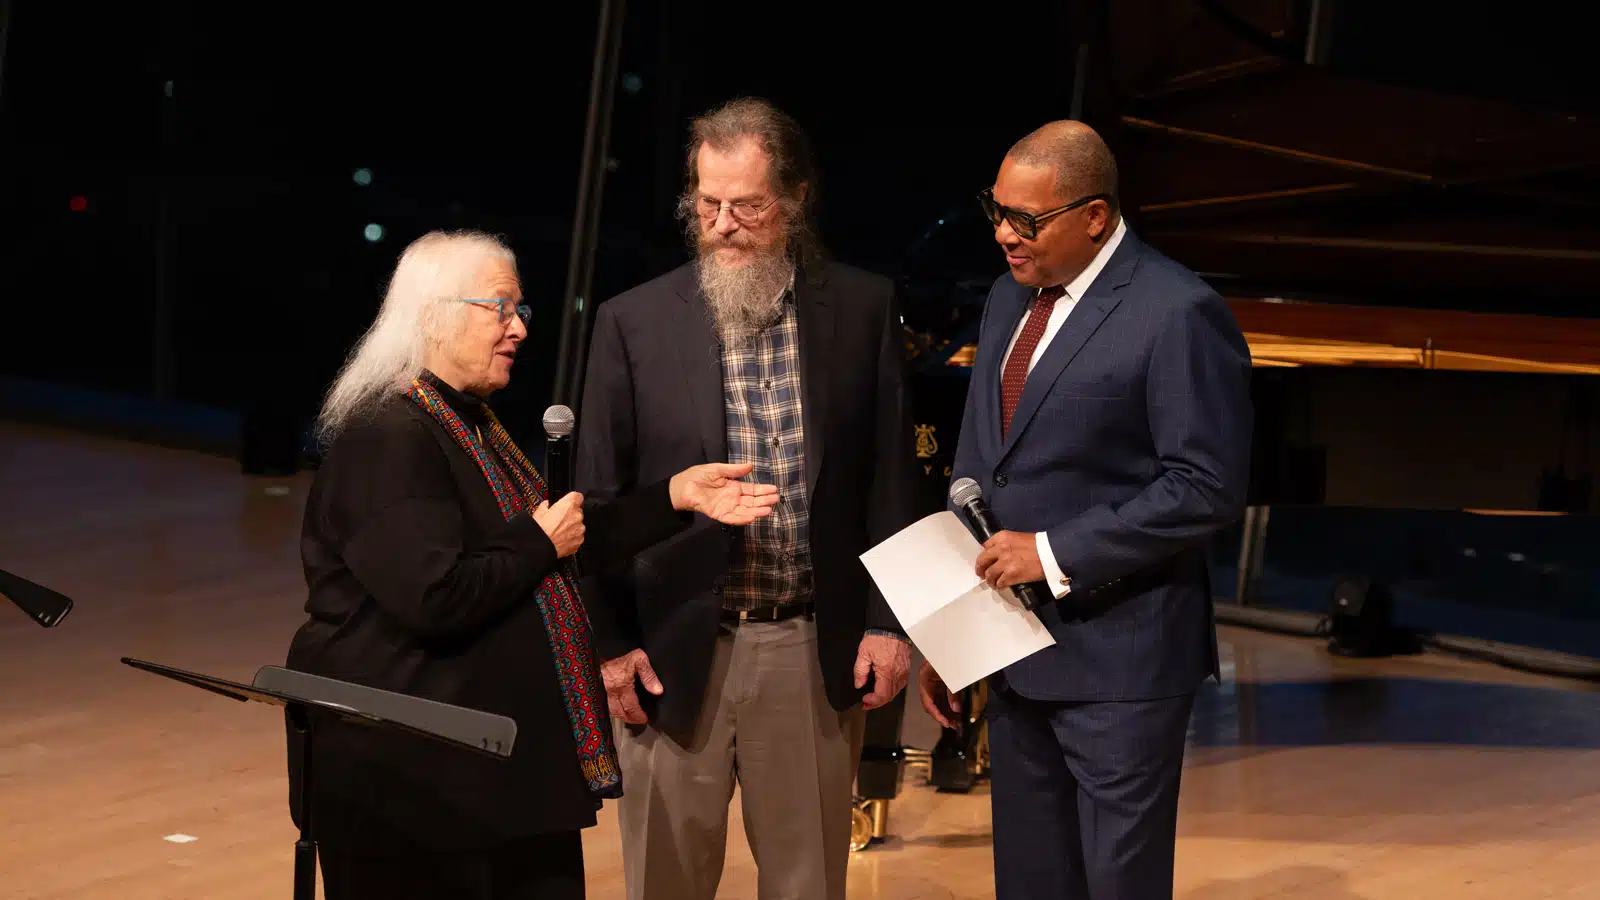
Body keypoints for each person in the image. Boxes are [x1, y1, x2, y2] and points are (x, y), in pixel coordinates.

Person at [283, 229, 781, 900]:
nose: (519, 328)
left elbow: (563, 534)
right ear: (434, 315)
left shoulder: (467, 422)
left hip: (491, 786)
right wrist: (538, 544)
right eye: (501, 309)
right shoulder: (387, 436)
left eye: (522, 311)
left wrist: (675, 497)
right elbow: (435, 595)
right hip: (412, 795)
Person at [573, 97, 920, 900]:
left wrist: (886, 625)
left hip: (808, 648)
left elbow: (892, 478)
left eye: (747, 206)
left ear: (794, 202)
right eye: (707, 205)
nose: (723, 224)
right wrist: (612, 646)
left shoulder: (862, 307)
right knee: (665, 881)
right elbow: (596, 500)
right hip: (670, 652)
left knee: (806, 884)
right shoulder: (634, 322)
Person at [919, 121, 1253, 900]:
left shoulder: (1177, 311)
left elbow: (1205, 485)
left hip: (1122, 668)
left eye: (1026, 220)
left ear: (1095, 216)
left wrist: (1052, 553)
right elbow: (977, 470)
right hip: (1014, 658)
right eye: (995, 211)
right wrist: (953, 632)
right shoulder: (1008, 296)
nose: (1004, 234)